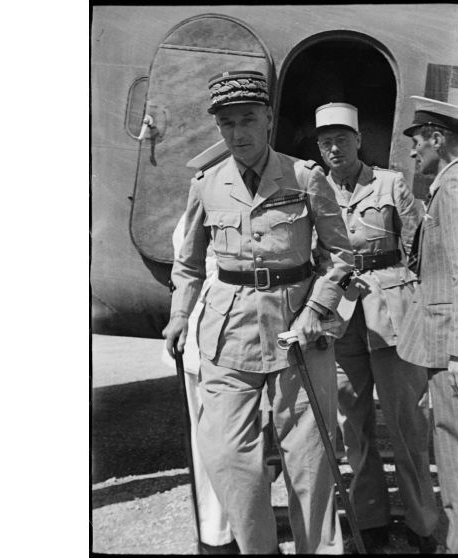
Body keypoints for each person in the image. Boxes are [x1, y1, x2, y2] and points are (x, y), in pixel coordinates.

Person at [163, 70, 354, 554]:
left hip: (297, 328)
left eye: (248, 120)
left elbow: (339, 255)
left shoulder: (304, 176)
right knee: (226, 455)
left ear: (268, 118)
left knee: (310, 460)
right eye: (227, 124)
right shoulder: (206, 184)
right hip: (227, 331)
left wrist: (317, 307)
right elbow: (186, 264)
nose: (238, 133)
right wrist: (180, 316)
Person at [314, 102, 438, 553]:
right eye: (325, 141)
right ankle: (370, 522)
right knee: (353, 423)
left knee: (407, 424)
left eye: (341, 139)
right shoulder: (314, 188)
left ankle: (423, 523)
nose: (334, 148)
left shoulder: (389, 182)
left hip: (391, 314)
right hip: (341, 320)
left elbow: (416, 248)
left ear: (358, 140)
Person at [397, 96, 458, 554]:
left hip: (452, 346)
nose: (413, 152)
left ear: (438, 138)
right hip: (446, 341)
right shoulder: (451, 183)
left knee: (455, 448)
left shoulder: (456, 187)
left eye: (418, 142)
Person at [161, 214, 237, 555]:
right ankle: (218, 537)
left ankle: (227, 532)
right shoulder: (203, 209)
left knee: (230, 445)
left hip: (235, 342)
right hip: (211, 341)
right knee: (214, 444)